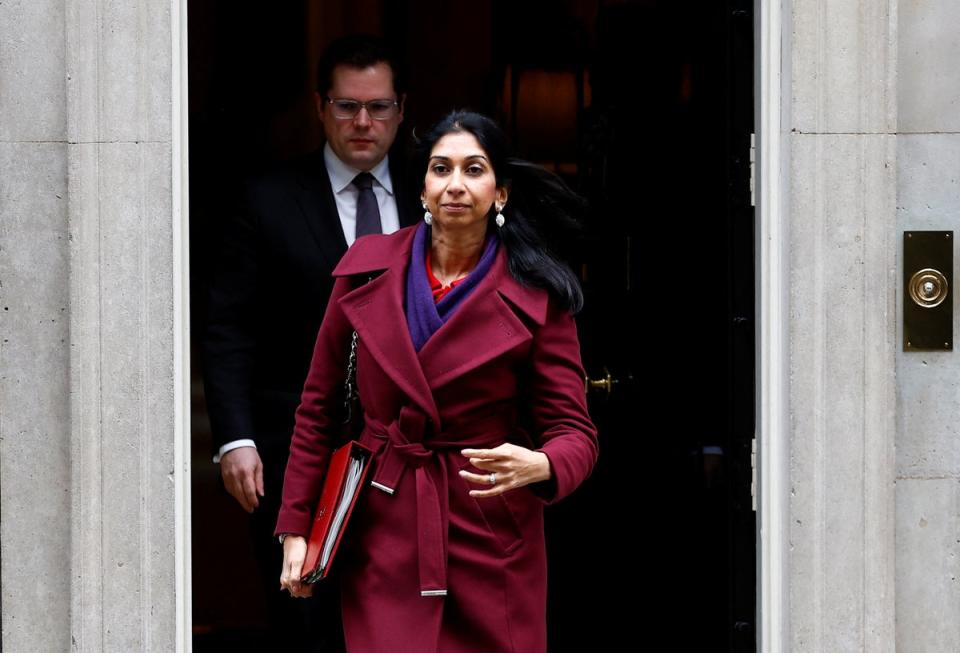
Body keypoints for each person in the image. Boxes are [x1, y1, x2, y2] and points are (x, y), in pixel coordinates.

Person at [275, 110, 599, 652]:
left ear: (500, 192)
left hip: (490, 527)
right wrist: (296, 528)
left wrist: (543, 464)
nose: (455, 185)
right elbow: (317, 408)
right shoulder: (366, 270)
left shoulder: (539, 296)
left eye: (474, 170)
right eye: (440, 169)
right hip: (385, 523)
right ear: (421, 188)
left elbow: (574, 431)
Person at [202, 34, 415, 651]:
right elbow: (228, 328)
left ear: (402, 108)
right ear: (321, 107)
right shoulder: (266, 198)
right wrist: (235, 438)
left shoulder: (438, 194)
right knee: (305, 617)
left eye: (378, 106)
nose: (363, 122)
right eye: (347, 106)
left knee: (400, 614)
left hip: (409, 447)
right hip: (291, 444)